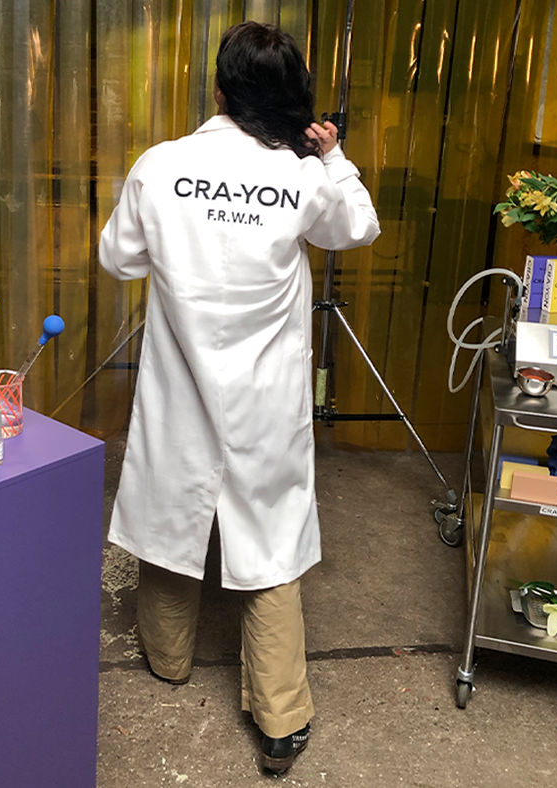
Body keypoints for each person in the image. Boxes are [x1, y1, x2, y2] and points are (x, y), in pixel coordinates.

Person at [98, 21, 379, 776]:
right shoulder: (301, 176)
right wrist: (332, 155)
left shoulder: (162, 166)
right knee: (271, 535)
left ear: (219, 90)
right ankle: (281, 717)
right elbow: (358, 226)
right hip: (265, 398)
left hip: (181, 387)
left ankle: (167, 660)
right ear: (290, 100)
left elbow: (119, 257)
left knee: (168, 514)